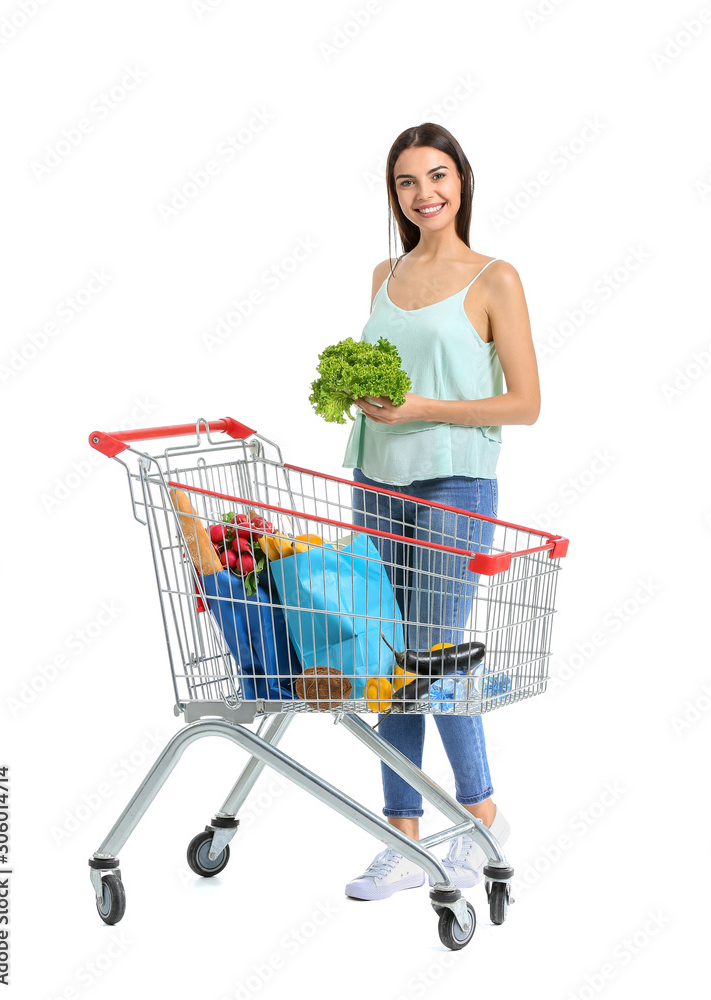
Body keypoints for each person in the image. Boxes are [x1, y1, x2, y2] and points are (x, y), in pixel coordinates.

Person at [342, 123, 540, 901]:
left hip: (455, 482)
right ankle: (403, 837)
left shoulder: (495, 278)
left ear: (461, 180)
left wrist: (425, 406)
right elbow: (383, 376)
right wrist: (369, 402)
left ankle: (482, 816)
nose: (423, 194)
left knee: (436, 655)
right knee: (390, 659)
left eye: (437, 176)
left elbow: (525, 403)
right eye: (405, 182)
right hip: (376, 478)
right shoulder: (382, 275)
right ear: (393, 195)